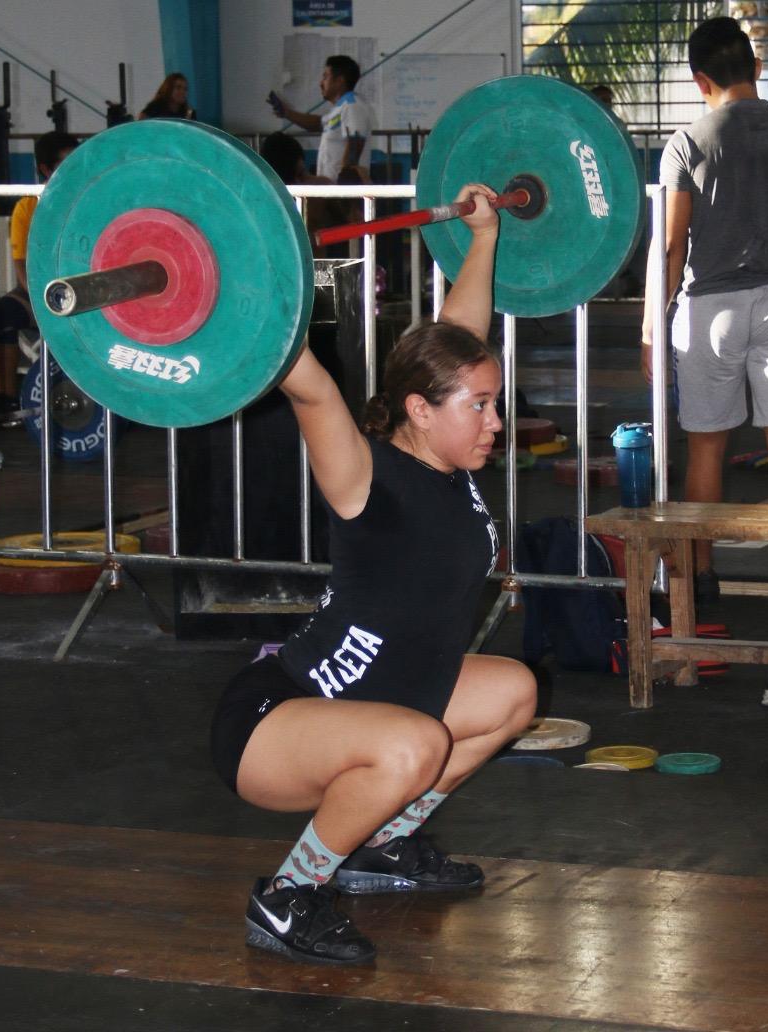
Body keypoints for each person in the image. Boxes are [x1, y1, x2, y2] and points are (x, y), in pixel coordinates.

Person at [210, 183, 537, 966]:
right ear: (421, 410)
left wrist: (484, 236)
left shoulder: (449, 454)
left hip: (378, 702)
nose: (496, 421)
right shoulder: (367, 479)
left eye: (495, 404)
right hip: (276, 721)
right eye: (481, 407)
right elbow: (312, 388)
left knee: (513, 692)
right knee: (412, 747)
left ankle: (379, 847)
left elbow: (458, 336)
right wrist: (245, 292)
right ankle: (290, 894)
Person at [641, 17, 768, 709]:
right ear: (754, 67)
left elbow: (672, 245)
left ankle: (700, 582)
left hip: (710, 306)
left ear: (701, 78)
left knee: (707, 447)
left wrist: (650, 322)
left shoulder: (688, 141)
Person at [0, 130, 78, 416]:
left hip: (85, 286)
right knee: (2, 313)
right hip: (42, 290)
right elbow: (21, 265)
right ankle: (6, 398)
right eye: (65, 162)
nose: (72, 167)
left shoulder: (86, 201)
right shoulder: (27, 207)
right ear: (45, 169)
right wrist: (44, 301)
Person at [268, 55, 372, 184]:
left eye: (325, 77)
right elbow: (318, 123)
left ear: (339, 80)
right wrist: (287, 113)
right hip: (331, 188)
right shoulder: (338, 109)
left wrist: (345, 184)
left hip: (342, 190)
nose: (321, 83)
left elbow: (355, 143)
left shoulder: (353, 105)